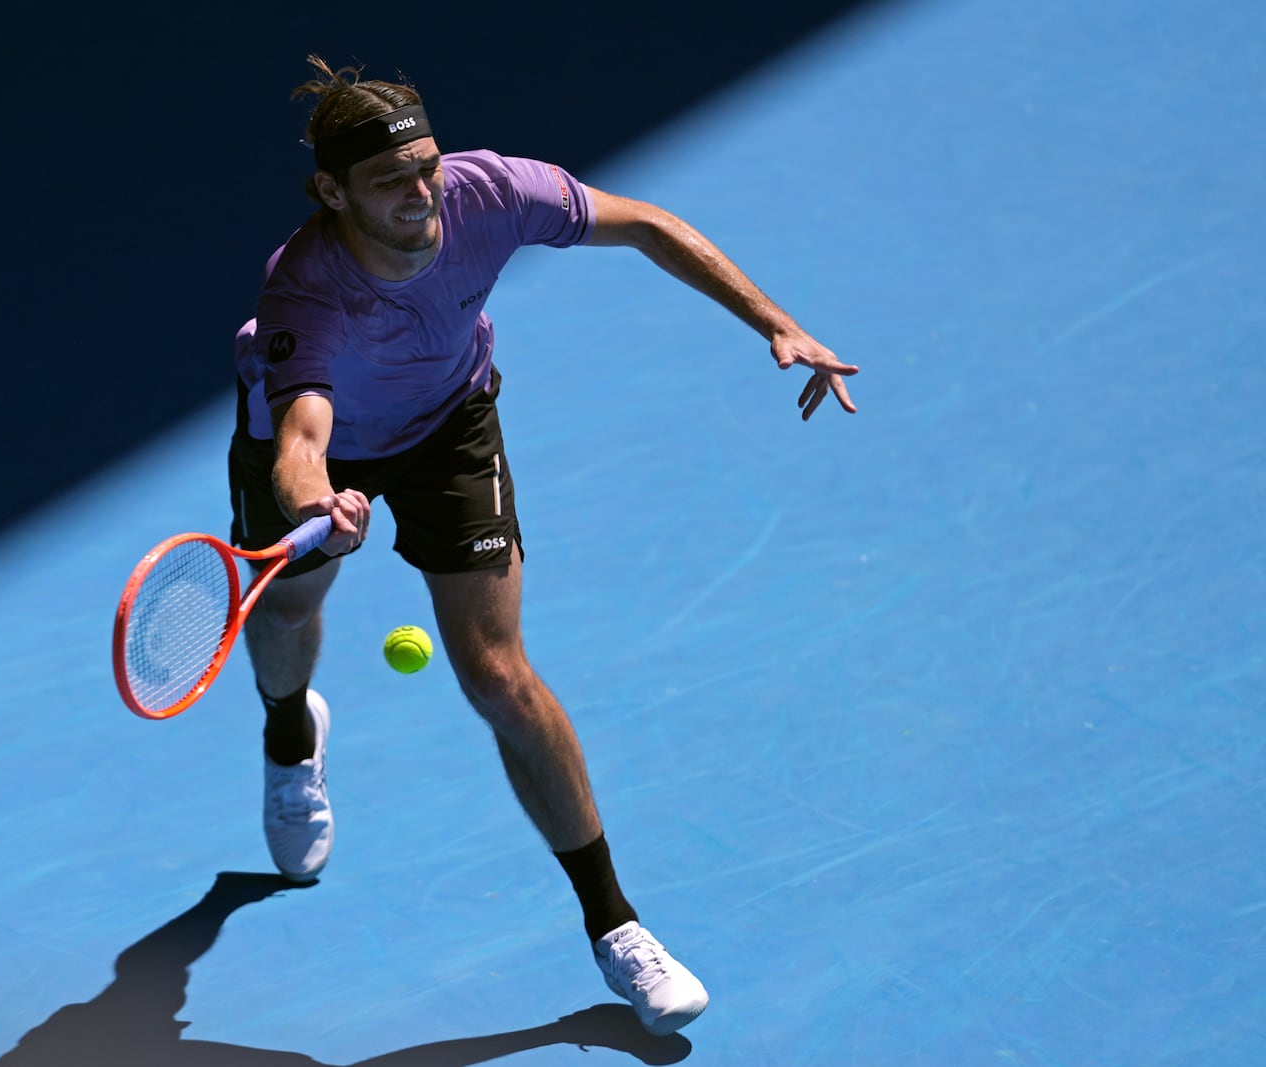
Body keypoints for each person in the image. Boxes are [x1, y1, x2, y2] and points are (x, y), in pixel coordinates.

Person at [228, 55, 858, 1038]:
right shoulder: (306, 290)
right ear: (331, 191)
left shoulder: (491, 191)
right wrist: (324, 502)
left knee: (499, 676)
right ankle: (287, 733)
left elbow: (646, 224)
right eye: (389, 180)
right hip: (328, 443)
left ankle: (616, 926)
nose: (419, 191)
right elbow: (302, 435)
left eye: (425, 165)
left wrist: (775, 323)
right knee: (289, 609)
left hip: (448, 426)